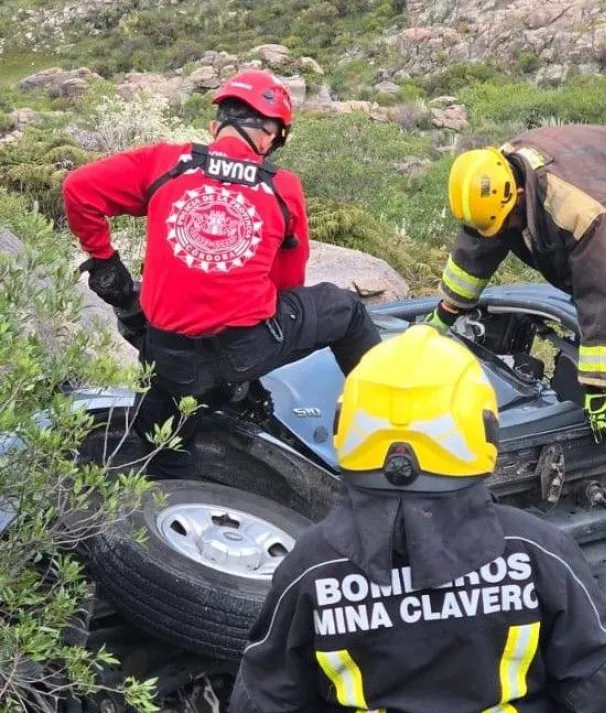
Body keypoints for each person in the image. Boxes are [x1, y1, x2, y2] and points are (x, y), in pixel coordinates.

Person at [229, 324, 606, 713]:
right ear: (484, 432)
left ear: (346, 427)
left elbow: (267, 698)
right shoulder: (538, 552)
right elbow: (601, 686)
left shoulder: (313, 565)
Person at [62, 69, 381, 478]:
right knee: (347, 310)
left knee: (164, 453)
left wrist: (104, 259)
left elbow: (78, 189)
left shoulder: (163, 163)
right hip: (249, 349)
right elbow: (288, 285)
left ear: (216, 127)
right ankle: (384, 419)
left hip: (171, 361)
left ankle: (176, 484)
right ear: (270, 136)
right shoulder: (282, 187)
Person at [424, 124, 606, 443]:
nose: (503, 231)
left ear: (518, 195)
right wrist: (446, 312)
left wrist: (600, 391)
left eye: (507, 222)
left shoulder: (582, 210)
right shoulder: (491, 182)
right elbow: (477, 247)